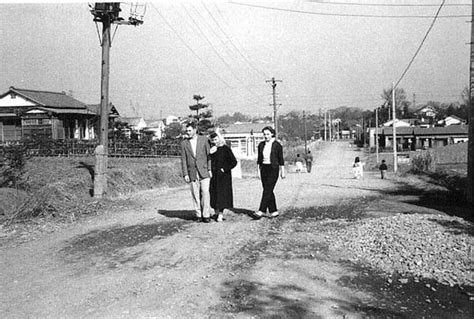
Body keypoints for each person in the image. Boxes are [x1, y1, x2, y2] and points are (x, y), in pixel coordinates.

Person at [250, 126, 285, 220]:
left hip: (273, 168)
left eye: (268, 134)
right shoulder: (261, 145)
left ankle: (261, 210)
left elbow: (281, 159)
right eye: (264, 134)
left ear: (272, 134)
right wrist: (258, 171)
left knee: (268, 189)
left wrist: (283, 171)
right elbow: (259, 159)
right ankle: (274, 211)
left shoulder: (277, 145)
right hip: (264, 169)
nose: (266, 136)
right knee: (268, 190)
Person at [180, 122, 212, 222]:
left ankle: (206, 215)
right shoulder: (184, 143)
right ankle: (198, 214)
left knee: (205, 193)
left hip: (204, 170)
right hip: (192, 172)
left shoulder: (204, 140)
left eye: (189, 131)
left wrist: (210, 169)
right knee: (195, 194)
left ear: (195, 130)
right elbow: (184, 159)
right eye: (187, 131)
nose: (188, 133)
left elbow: (209, 156)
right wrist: (185, 174)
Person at [209, 132, 237, 222]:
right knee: (213, 193)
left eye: (216, 139)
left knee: (221, 195)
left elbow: (233, 162)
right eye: (213, 140)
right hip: (213, 175)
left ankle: (220, 214)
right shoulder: (211, 149)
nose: (215, 141)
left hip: (223, 176)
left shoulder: (225, 149)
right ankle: (216, 212)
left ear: (219, 139)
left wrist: (224, 169)